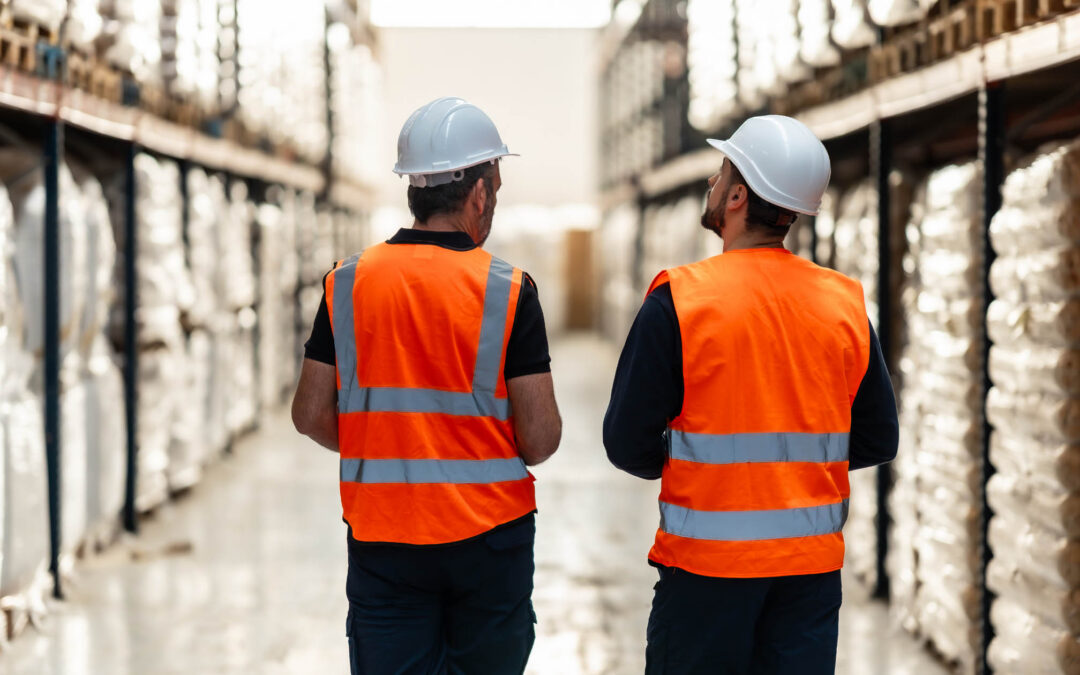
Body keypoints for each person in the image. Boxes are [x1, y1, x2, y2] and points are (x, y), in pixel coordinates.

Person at [603, 115, 899, 674]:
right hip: (808, 577)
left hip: (706, 575)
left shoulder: (680, 300)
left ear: (738, 195)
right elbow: (879, 438)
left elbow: (626, 444)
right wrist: (794, 475)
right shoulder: (843, 303)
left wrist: (696, 468)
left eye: (720, 173)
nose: (713, 184)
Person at [292, 96, 562, 675]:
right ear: (480, 194)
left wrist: (387, 442)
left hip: (386, 534)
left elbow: (310, 413)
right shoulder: (510, 290)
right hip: (489, 540)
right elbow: (539, 438)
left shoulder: (347, 282)